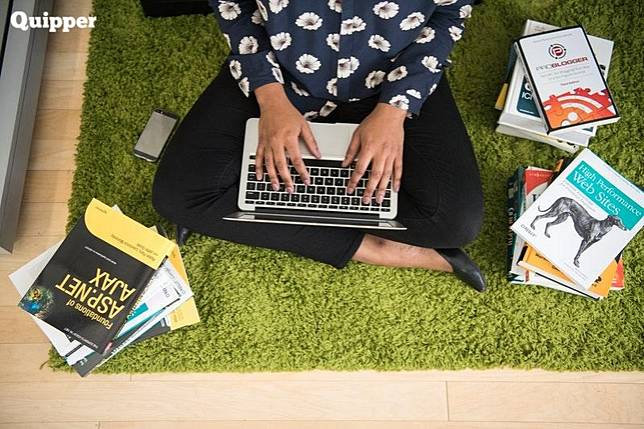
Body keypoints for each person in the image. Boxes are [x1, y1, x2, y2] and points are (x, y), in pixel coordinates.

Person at [153, 0, 486, 291]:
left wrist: (393, 110)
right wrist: (270, 98)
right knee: (179, 195)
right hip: (279, 74)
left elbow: (450, 12)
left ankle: (234, 216)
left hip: (394, 77)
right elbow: (233, 6)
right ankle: (377, 248)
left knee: (455, 223)